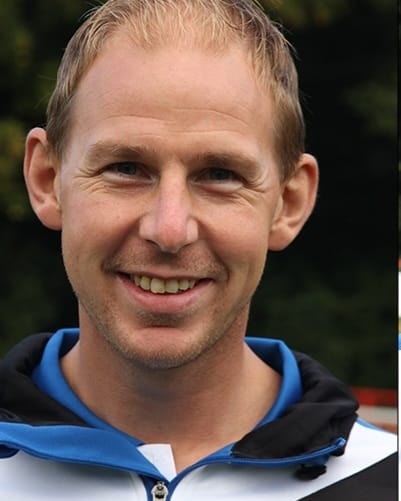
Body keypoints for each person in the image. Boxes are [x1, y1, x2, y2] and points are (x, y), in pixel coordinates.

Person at [0, 0, 396, 499]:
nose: (169, 230)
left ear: (289, 203)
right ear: (47, 179)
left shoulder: (387, 481)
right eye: (126, 168)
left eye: (220, 175)